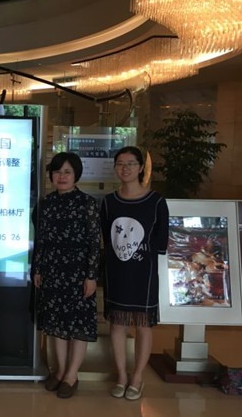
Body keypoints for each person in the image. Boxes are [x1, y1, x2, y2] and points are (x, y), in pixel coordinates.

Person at [100, 146, 169, 401]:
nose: (125, 168)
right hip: (116, 271)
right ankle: (121, 375)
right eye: (120, 163)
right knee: (117, 324)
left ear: (141, 168)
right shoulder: (108, 202)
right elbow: (106, 237)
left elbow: (161, 241)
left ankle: (137, 377)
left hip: (144, 273)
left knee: (143, 325)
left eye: (130, 163)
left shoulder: (156, 201)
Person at [33, 152, 100, 399]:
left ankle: (72, 375)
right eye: (57, 171)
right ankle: (60, 371)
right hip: (52, 270)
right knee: (56, 324)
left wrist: (91, 276)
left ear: (76, 175)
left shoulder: (87, 203)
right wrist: (38, 269)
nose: (61, 176)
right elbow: (40, 240)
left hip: (78, 273)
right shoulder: (46, 203)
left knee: (77, 324)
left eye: (67, 172)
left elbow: (95, 243)